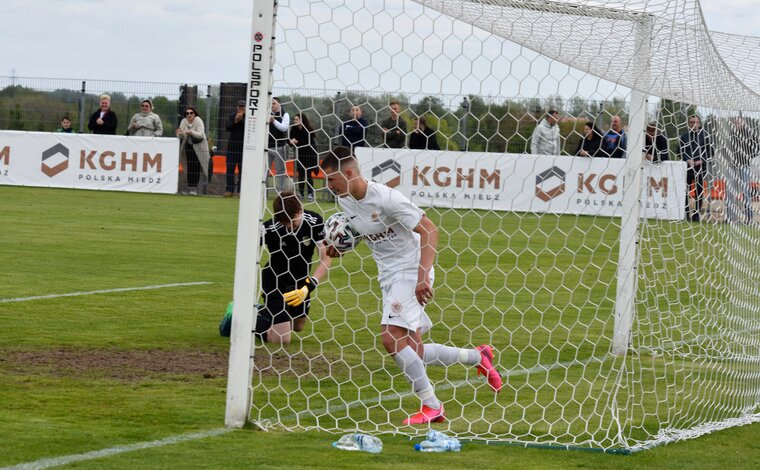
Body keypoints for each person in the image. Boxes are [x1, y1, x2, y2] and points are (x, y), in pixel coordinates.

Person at [320, 146, 502, 425]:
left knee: (391, 338)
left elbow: (430, 230)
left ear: (348, 173)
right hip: (388, 276)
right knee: (414, 351)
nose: (326, 185)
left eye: (330, 179)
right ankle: (478, 356)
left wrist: (421, 277)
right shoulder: (345, 200)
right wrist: (340, 248)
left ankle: (432, 406)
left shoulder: (387, 198)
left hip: (411, 270)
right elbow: (363, 233)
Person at [254, 190, 331, 344]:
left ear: (300, 210)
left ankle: (262, 311)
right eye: (284, 223)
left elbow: (326, 258)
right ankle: (242, 315)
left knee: (298, 326)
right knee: (282, 339)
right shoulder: (269, 228)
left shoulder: (314, 222)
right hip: (274, 282)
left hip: (300, 282)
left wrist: (308, 287)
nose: (288, 227)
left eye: (292, 222)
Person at [679, 115, 714, 222]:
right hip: (686, 167)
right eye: (691, 122)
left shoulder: (705, 136)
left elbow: (711, 151)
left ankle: (696, 213)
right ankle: (685, 213)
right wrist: (687, 159)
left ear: (699, 124)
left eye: (696, 122)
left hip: (700, 167)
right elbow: (679, 150)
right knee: (684, 190)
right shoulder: (684, 136)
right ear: (688, 123)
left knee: (699, 190)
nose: (694, 124)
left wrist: (702, 159)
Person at [725, 116, 758, 224]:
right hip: (732, 166)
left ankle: (749, 218)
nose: (737, 124)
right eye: (735, 122)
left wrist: (747, 156)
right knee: (730, 192)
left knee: (746, 193)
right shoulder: (732, 133)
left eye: (739, 122)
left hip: (744, 166)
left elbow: (757, 148)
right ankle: (731, 218)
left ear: (743, 122)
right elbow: (728, 148)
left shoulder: (749, 134)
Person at [176, 106, 210, 195]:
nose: (189, 115)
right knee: (189, 167)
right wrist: (179, 134)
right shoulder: (183, 121)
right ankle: (189, 188)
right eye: (187, 113)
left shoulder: (198, 120)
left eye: (191, 113)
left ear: (194, 114)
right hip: (188, 147)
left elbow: (201, 135)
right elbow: (182, 136)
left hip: (199, 147)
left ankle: (194, 188)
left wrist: (191, 132)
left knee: (195, 168)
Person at [289, 113, 318, 201]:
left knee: (308, 174)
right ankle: (301, 193)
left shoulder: (308, 129)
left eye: (297, 119)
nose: (295, 121)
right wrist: (291, 141)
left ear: (302, 120)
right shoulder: (294, 128)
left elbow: (306, 141)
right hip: (300, 155)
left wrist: (296, 142)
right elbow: (290, 139)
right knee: (301, 174)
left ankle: (310, 193)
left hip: (309, 154)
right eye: (294, 120)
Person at [224, 100, 246, 197]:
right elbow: (228, 128)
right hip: (232, 148)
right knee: (230, 169)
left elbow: (248, 128)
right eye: (239, 106)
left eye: (243, 107)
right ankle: (229, 190)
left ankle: (240, 191)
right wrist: (235, 121)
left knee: (242, 171)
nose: (241, 108)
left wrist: (241, 121)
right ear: (237, 107)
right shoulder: (232, 116)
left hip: (243, 149)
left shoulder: (250, 116)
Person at [268, 97, 290, 192]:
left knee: (280, 170)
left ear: (279, 104)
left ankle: (280, 192)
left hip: (279, 146)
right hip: (266, 146)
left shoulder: (285, 114)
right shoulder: (266, 113)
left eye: (273, 103)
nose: (271, 105)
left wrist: (274, 121)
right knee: (264, 170)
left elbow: (284, 128)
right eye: (270, 103)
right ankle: (263, 190)